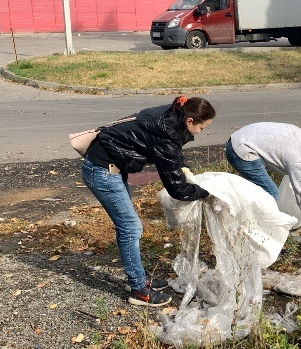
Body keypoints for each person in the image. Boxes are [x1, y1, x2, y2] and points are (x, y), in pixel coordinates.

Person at [82, 96, 216, 307]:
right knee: (130, 228)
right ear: (189, 121)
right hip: (103, 172)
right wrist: (206, 193)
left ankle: (137, 277)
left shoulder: (173, 114)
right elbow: (177, 189)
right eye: (201, 128)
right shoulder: (166, 134)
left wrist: (183, 168)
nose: (201, 132)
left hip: (109, 167)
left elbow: (173, 156)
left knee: (128, 227)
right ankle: (138, 291)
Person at [225, 123, 301, 252]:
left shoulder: (299, 134)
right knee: (271, 194)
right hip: (241, 151)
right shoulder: (298, 160)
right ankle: (259, 238)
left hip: (237, 139)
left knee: (257, 192)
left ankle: (239, 219)